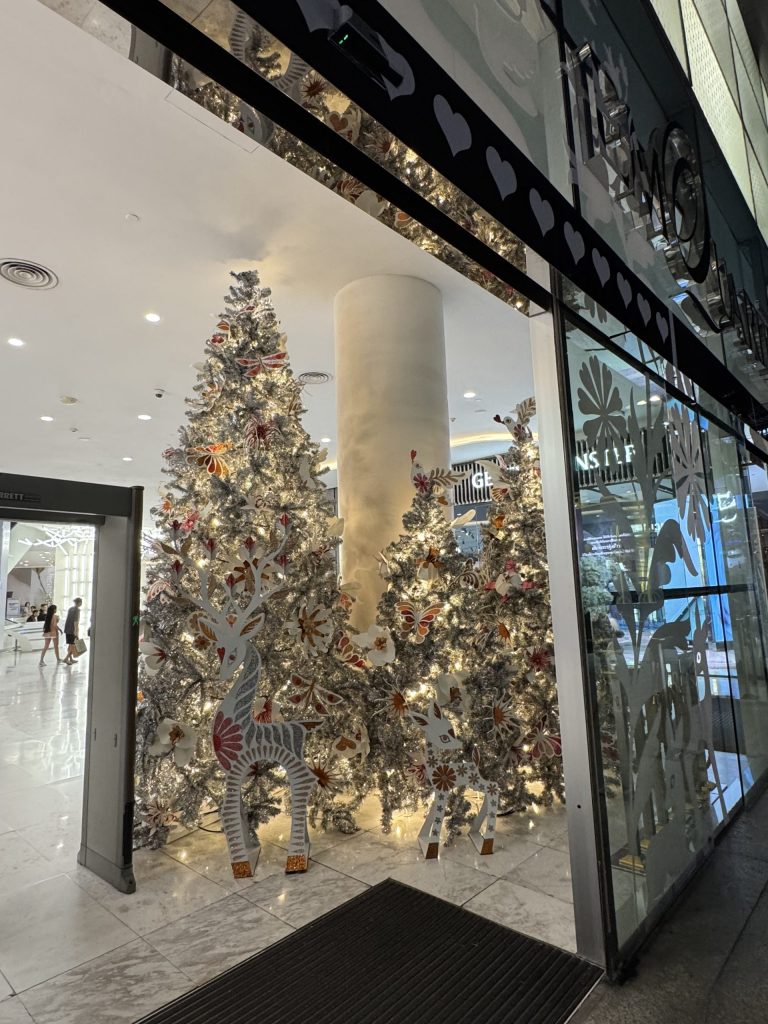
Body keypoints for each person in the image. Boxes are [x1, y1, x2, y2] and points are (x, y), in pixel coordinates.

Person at [64, 598, 83, 665]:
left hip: (67, 629)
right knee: (73, 645)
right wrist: (76, 632)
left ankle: (71, 659)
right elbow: (76, 622)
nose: (81, 603)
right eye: (81, 602)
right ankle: (66, 659)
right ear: (79, 602)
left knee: (71, 645)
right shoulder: (77, 610)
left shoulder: (70, 609)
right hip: (72, 630)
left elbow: (68, 619)